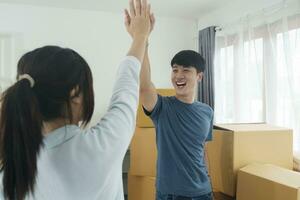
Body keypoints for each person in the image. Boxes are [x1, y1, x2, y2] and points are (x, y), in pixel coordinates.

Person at [0, 0, 152, 199]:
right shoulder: (103, 145)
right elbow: (126, 85)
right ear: (75, 94)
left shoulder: (9, 175)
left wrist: (141, 37)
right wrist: (140, 37)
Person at [127, 17, 214, 198]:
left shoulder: (207, 112)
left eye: (186, 70)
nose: (178, 75)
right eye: (175, 70)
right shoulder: (162, 108)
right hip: (171, 195)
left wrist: (209, 180)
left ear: (199, 76)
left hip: (203, 193)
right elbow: (144, 87)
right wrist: (142, 39)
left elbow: (202, 149)